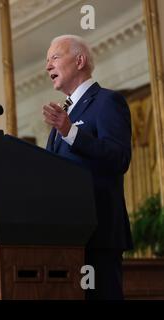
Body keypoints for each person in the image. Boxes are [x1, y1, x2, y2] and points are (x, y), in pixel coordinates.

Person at [43, 35, 133, 300]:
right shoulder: (63, 115)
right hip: (67, 236)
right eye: (47, 61)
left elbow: (119, 158)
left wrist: (70, 131)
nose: (48, 66)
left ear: (80, 60)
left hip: (99, 233)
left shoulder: (107, 102)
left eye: (55, 58)